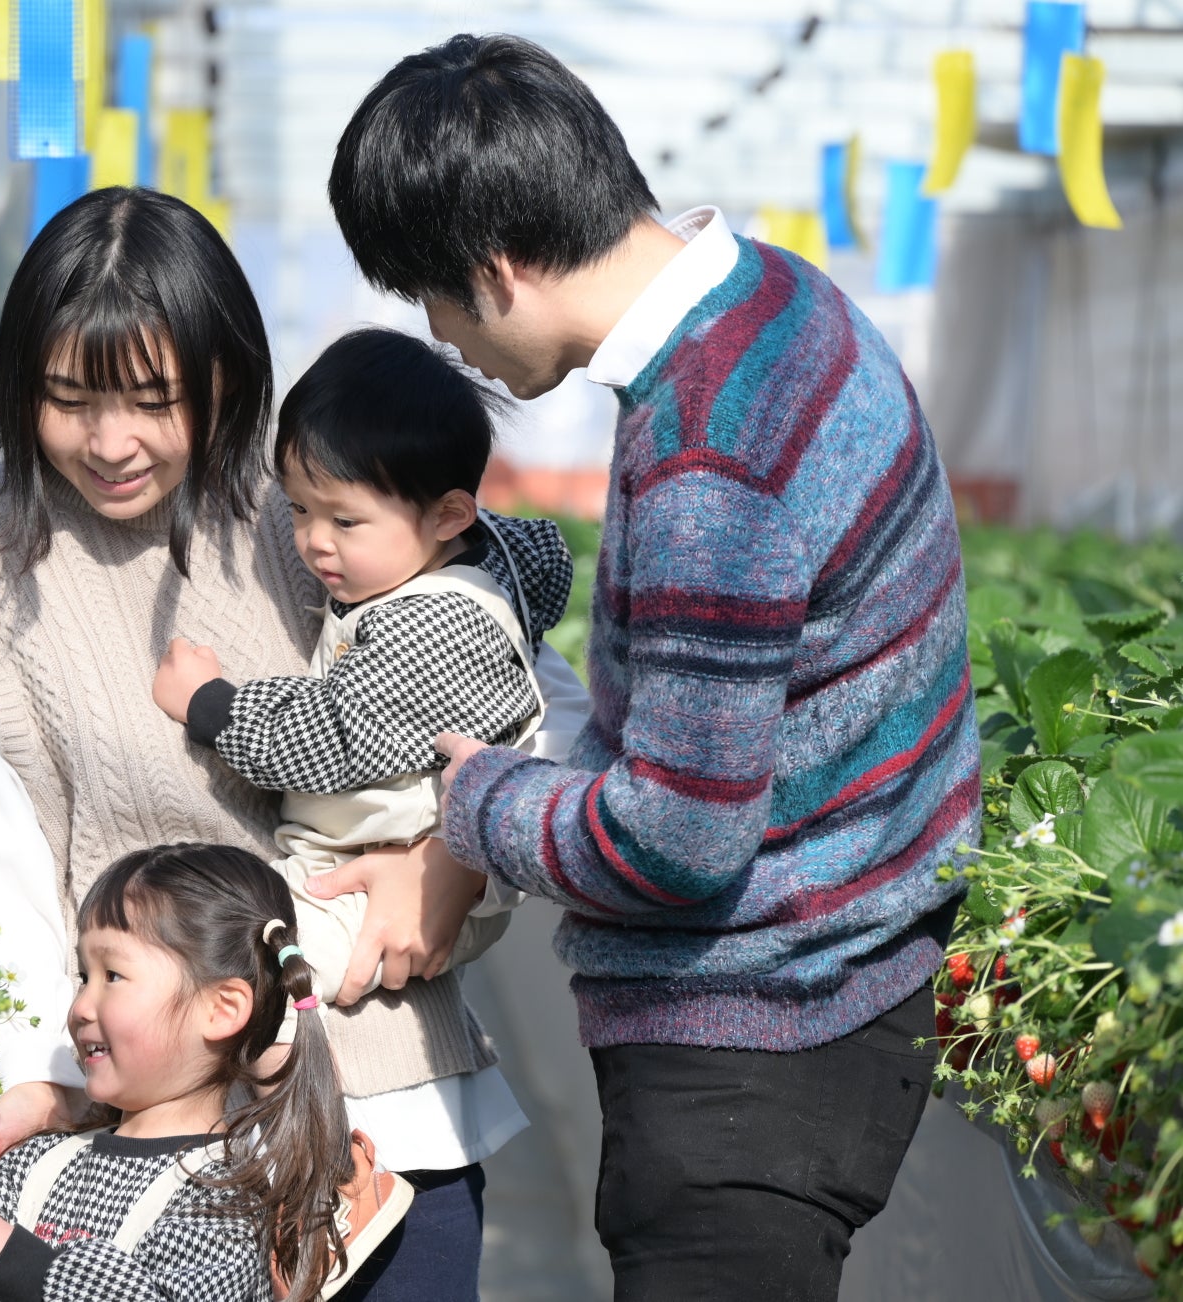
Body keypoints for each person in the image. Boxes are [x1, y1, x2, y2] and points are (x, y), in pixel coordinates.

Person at [323, 34, 979, 1301]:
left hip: (758, 1042)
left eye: (432, 300)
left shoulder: (708, 457)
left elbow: (677, 839)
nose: (444, 341)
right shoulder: (776, 302)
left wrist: (475, 801)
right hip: (851, 964)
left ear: (496, 269)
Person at [0, 186, 591, 1300]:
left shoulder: (315, 492)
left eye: (154, 401)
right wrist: (50, 1086)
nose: (111, 443)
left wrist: (454, 860)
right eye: (68, 399)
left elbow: (532, 704)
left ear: (226, 378)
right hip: (145, 1171)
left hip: (382, 1113)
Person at [150, 327, 575, 1004]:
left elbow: (333, 737)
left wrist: (211, 704)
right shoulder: (457, 555)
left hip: (395, 876)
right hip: (368, 853)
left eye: (345, 521)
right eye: (298, 508)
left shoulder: (437, 627)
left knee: (249, 976)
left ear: (448, 516)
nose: (313, 541)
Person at [0, 844, 376, 1302]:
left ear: (222, 1009)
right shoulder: (38, 1160)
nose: (81, 1006)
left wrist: (2, 1252)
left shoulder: (225, 1202)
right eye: (84, 976)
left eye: (113, 976)